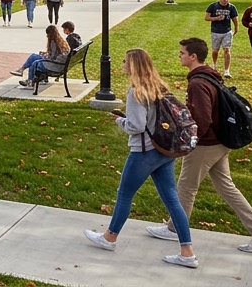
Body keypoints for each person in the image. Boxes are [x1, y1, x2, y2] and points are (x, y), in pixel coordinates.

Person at [146, 38, 252, 253]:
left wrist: (190, 142)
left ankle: (174, 228)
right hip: (220, 142)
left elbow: (203, 119)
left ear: (193, 56)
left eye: (182, 53)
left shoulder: (198, 83)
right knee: (226, 187)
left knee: (186, 187)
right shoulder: (208, 76)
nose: (179, 56)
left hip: (206, 144)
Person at [83, 48, 198, 269]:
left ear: (133, 66)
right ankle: (187, 251)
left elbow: (136, 126)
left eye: (125, 61)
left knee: (125, 194)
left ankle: (109, 238)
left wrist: (120, 121)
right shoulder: (160, 86)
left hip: (144, 152)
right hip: (165, 151)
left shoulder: (136, 92)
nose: (122, 63)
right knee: (172, 200)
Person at [205, 0, 239, 78]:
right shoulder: (213, 6)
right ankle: (214, 64)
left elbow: (234, 18)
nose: (225, 0)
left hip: (227, 31)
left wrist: (236, 28)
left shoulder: (231, 7)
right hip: (216, 31)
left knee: (227, 50)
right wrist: (216, 18)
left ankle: (227, 70)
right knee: (215, 50)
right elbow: (207, 18)